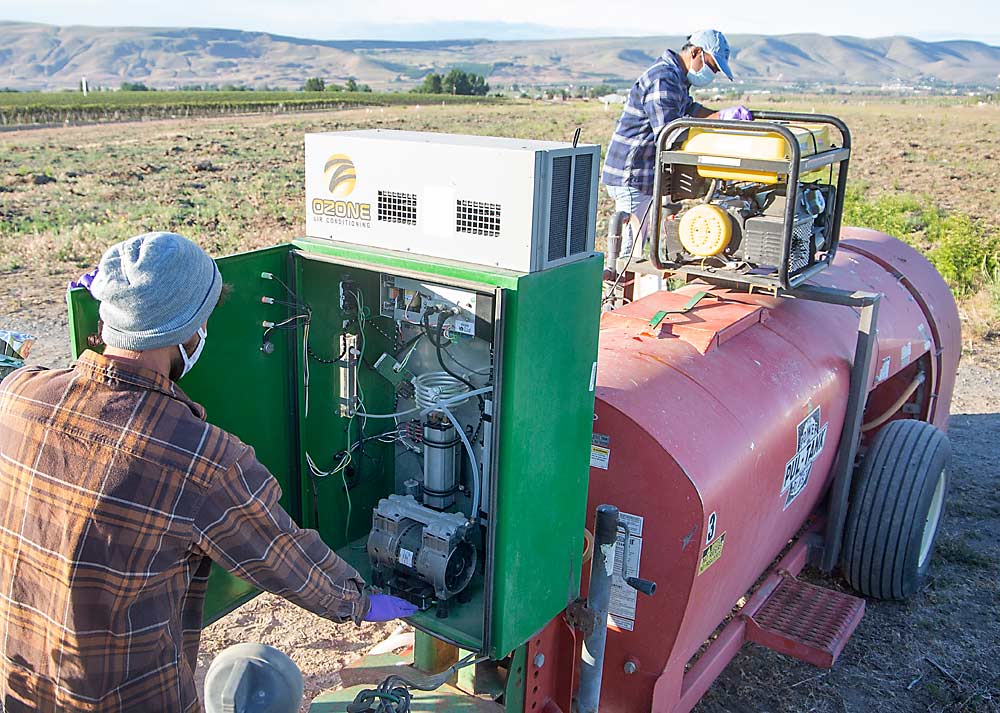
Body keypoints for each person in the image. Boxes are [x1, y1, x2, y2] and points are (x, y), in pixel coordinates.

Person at [0, 231, 416, 712]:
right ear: (189, 333)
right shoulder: (202, 461)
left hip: (23, 686)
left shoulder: (18, 396)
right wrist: (362, 603)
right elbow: (287, 561)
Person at [601, 29, 753, 261]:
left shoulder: (677, 78)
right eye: (712, 67)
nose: (711, 73)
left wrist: (722, 116)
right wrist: (716, 124)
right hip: (633, 174)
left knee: (643, 244)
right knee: (629, 253)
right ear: (696, 52)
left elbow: (689, 110)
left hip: (647, 174)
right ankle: (618, 294)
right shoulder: (663, 77)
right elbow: (668, 131)